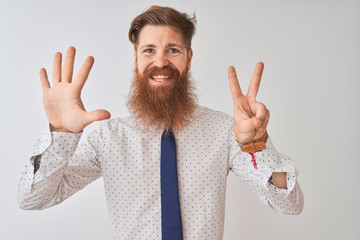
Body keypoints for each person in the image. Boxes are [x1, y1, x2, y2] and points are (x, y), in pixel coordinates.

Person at [18, 5, 304, 240]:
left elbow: (290, 204)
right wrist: (62, 134)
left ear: (189, 58)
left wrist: (255, 145)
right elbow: (32, 199)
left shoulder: (226, 132)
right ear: (135, 58)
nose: (161, 61)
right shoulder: (106, 138)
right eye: (149, 50)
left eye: (173, 50)